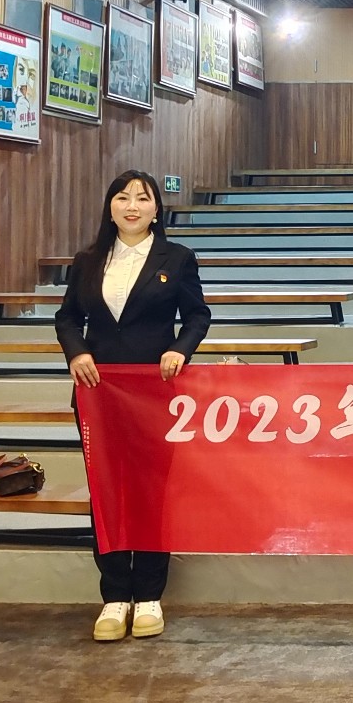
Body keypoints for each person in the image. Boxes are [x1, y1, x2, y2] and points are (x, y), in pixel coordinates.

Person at [55, 169, 211, 644]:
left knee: (152, 490)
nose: (132, 206)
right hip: (98, 391)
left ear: (156, 209)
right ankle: (114, 596)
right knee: (106, 490)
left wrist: (180, 350)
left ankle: (148, 595)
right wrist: (77, 352)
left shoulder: (177, 258)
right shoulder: (87, 260)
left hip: (155, 392)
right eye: (122, 198)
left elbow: (198, 315)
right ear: (110, 206)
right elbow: (67, 318)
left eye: (142, 199)